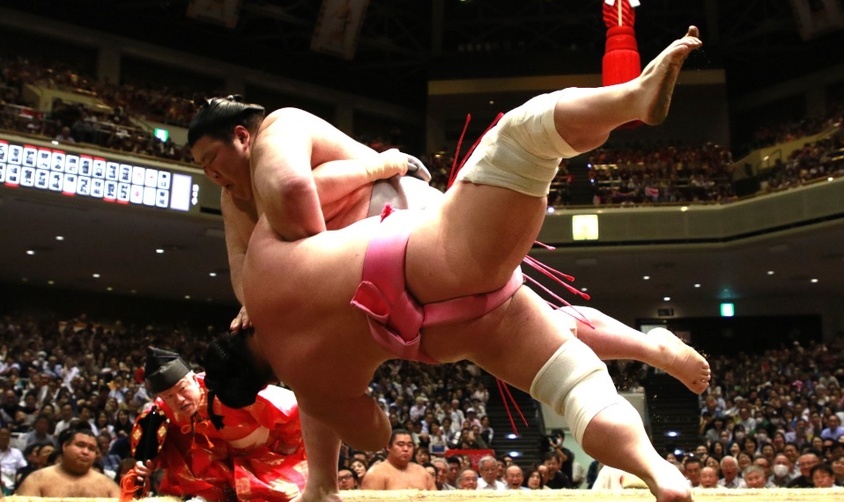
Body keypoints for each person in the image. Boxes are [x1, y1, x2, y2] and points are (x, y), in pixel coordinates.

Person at [203, 27, 703, 502]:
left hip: (435, 339)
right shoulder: (268, 254)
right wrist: (333, 230)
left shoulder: (312, 385)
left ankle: (661, 474)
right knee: (519, 138)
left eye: (211, 160)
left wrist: (330, 392)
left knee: (573, 382)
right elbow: (307, 190)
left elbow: (374, 433)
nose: (214, 176)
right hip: (427, 254)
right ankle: (631, 98)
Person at [187, 101, 711, 396]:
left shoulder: (280, 143)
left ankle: (649, 348)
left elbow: (310, 203)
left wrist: (380, 165)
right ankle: (650, 348)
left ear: (243, 137)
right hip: (365, 283)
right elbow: (241, 270)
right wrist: (258, 300)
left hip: (404, 229)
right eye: (203, 169)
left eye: (214, 159)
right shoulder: (235, 201)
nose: (213, 175)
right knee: (534, 325)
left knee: (521, 322)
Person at [130, 347, 307, 502]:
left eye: (182, 389)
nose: (179, 400)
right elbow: (157, 438)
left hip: (273, 453)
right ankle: (211, 491)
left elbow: (297, 409)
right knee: (185, 443)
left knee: (280, 491)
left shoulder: (228, 388)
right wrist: (151, 459)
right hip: (222, 458)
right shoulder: (164, 409)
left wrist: (288, 446)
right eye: (169, 396)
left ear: (194, 378)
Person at [15, 426, 119, 498]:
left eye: (91, 449)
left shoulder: (108, 485)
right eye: (80, 445)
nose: (85, 452)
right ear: (65, 446)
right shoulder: (37, 480)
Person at [359, 429, 434, 491]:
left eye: (409, 445)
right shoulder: (375, 474)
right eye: (400, 444)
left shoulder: (422, 472)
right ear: (388, 447)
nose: (406, 449)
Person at [0, 426, 27, 495]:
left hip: (12, 482)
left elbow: (24, 468)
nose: (4, 437)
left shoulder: (16, 452)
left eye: (7, 435)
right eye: (2, 435)